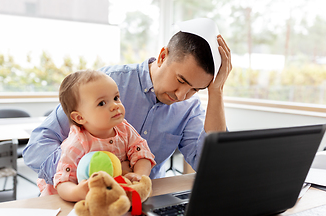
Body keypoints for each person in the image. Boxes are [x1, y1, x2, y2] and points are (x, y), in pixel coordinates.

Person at [23, 18, 232, 185]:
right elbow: (36, 147)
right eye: (180, 80)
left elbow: (212, 167)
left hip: (139, 202)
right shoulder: (106, 85)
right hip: (80, 199)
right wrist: (93, 171)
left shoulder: (189, 110)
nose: (181, 96)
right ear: (162, 56)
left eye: (195, 89)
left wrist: (217, 92)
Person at [38, 70, 156, 202]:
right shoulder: (77, 143)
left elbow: (142, 153)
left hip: (111, 197)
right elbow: (62, 182)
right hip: (64, 204)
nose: (115, 106)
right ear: (80, 117)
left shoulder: (124, 128)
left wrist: (139, 175)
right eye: (102, 103)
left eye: (116, 98)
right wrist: (77, 192)